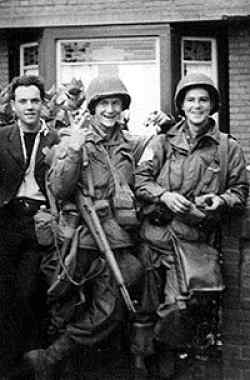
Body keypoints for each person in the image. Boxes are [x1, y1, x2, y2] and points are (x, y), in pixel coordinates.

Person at [24, 75, 171, 380]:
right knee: (77, 304)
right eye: (104, 103)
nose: (110, 109)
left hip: (119, 238)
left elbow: (161, 147)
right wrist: (74, 151)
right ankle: (55, 358)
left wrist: (166, 125)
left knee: (128, 293)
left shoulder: (130, 143)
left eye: (116, 103)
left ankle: (55, 356)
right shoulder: (73, 138)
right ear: (92, 107)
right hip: (82, 238)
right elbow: (61, 189)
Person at [134, 72, 249, 378]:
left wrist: (220, 200)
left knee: (177, 307)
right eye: (190, 100)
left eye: (203, 99)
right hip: (153, 236)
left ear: (213, 105)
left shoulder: (227, 148)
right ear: (181, 105)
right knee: (141, 305)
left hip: (190, 243)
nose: (197, 105)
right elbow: (141, 181)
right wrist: (165, 195)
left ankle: (164, 361)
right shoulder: (160, 142)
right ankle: (141, 363)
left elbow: (240, 192)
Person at [0, 75, 59, 378]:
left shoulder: (56, 140)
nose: (30, 107)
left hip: (39, 223)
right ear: (13, 106)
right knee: (4, 293)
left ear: (43, 104)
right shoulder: (2, 136)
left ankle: (33, 360)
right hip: (6, 221)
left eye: (35, 100)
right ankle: (8, 363)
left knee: (28, 291)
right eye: (23, 101)